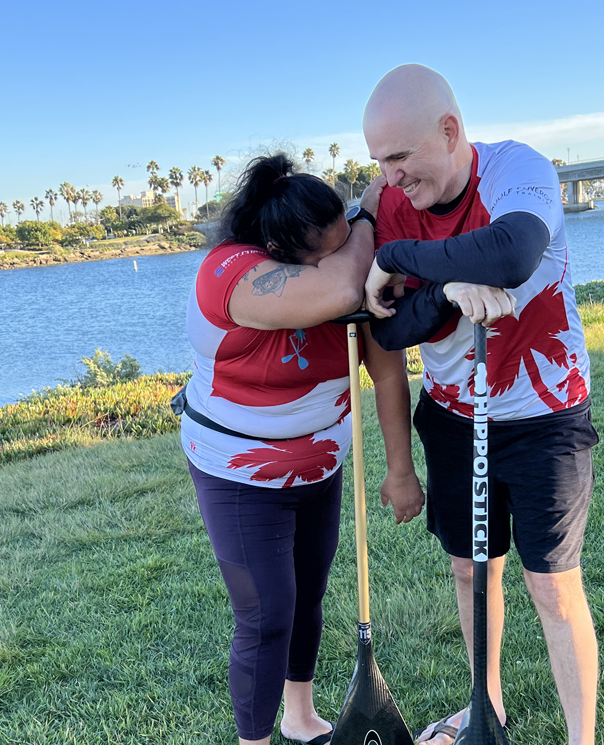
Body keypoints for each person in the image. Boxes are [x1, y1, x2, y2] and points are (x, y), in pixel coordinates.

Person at [362, 65, 600, 745]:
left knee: (553, 587)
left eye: (400, 157)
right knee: (470, 569)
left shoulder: (515, 171)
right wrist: (443, 292)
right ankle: (484, 711)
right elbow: (388, 327)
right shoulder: (390, 203)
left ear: (450, 131)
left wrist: (406, 258)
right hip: (453, 417)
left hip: (545, 415)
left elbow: (514, 251)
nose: (391, 177)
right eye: (379, 162)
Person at [180, 154, 424, 745]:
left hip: (319, 465)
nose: (344, 258)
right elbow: (342, 283)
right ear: (281, 251)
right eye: (326, 251)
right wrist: (366, 218)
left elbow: (387, 375)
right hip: (238, 471)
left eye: (346, 242)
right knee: (267, 614)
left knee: (308, 592)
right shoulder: (229, 271)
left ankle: (300, 715)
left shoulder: (353, 269)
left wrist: (400, 469)